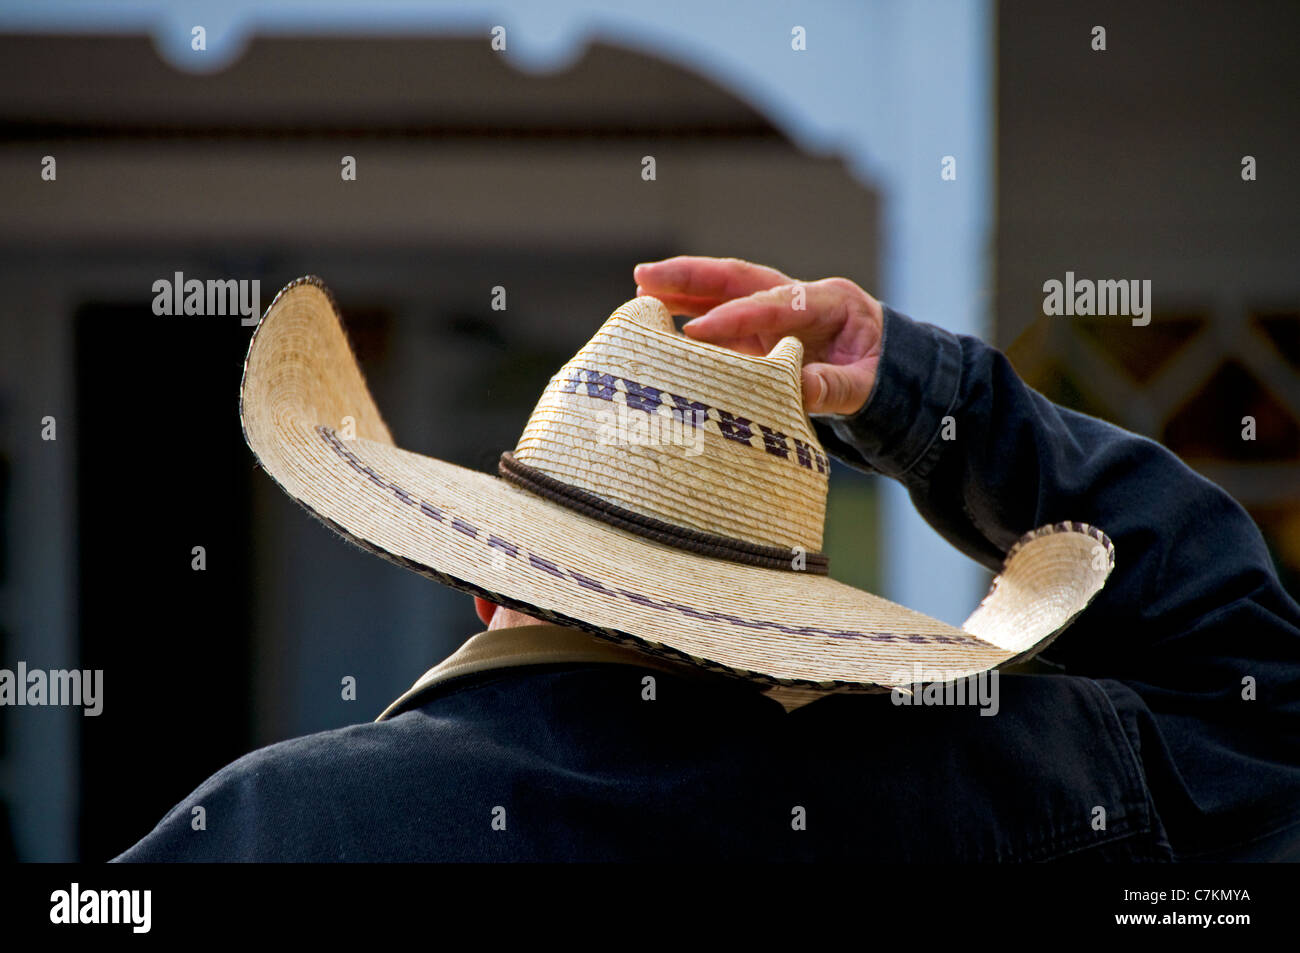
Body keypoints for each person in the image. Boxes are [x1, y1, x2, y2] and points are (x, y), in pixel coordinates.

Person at [113, 257, 1300, 862]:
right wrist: (925, 393)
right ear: (783, 605)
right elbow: (1257, 708)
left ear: (488, 576)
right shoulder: (1001, 787)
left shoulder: (278, 824)